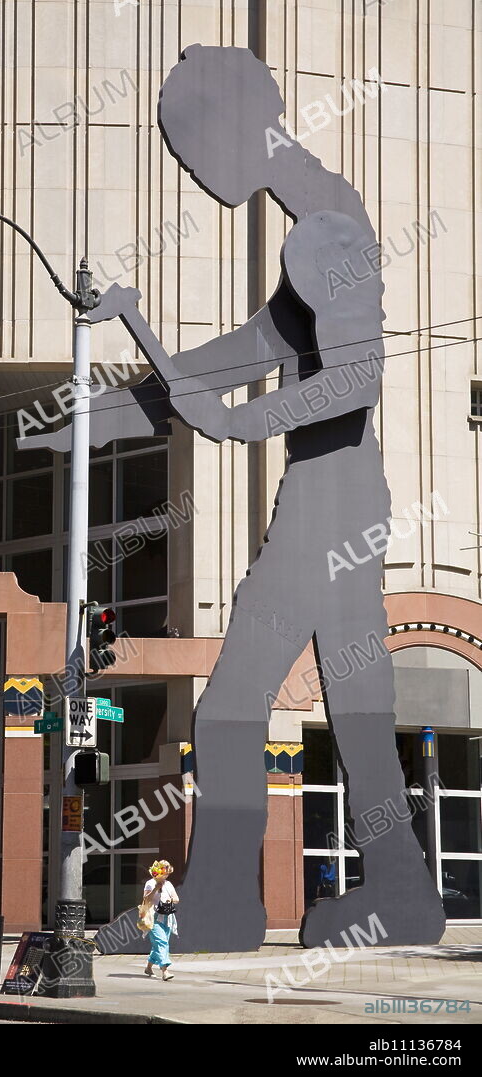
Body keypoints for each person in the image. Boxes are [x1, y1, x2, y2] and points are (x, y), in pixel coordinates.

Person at [34, 45, 446, 954]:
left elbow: (356, 378)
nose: (194, 169)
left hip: (326, 500)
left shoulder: (322, 228)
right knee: (358, 700)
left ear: (233, 128)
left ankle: (220, 899)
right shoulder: (320, 213)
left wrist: (238, 427)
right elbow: (243, 350)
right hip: (339, 495)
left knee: (229, 705)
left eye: (190, 147)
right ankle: (403, 892)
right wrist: (93, 415)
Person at [142, 860, 179, 980]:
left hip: (167, 917)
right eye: (165, 872)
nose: (166, 875)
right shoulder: (150, 883)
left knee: (159, 944)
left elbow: (176, 898)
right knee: (162, 942)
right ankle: (165, 971)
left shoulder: (168, 884)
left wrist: (171, 900)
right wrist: (156, 889)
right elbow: (146, 900)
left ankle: (148, 967)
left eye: (168, 873)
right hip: (153, 917)